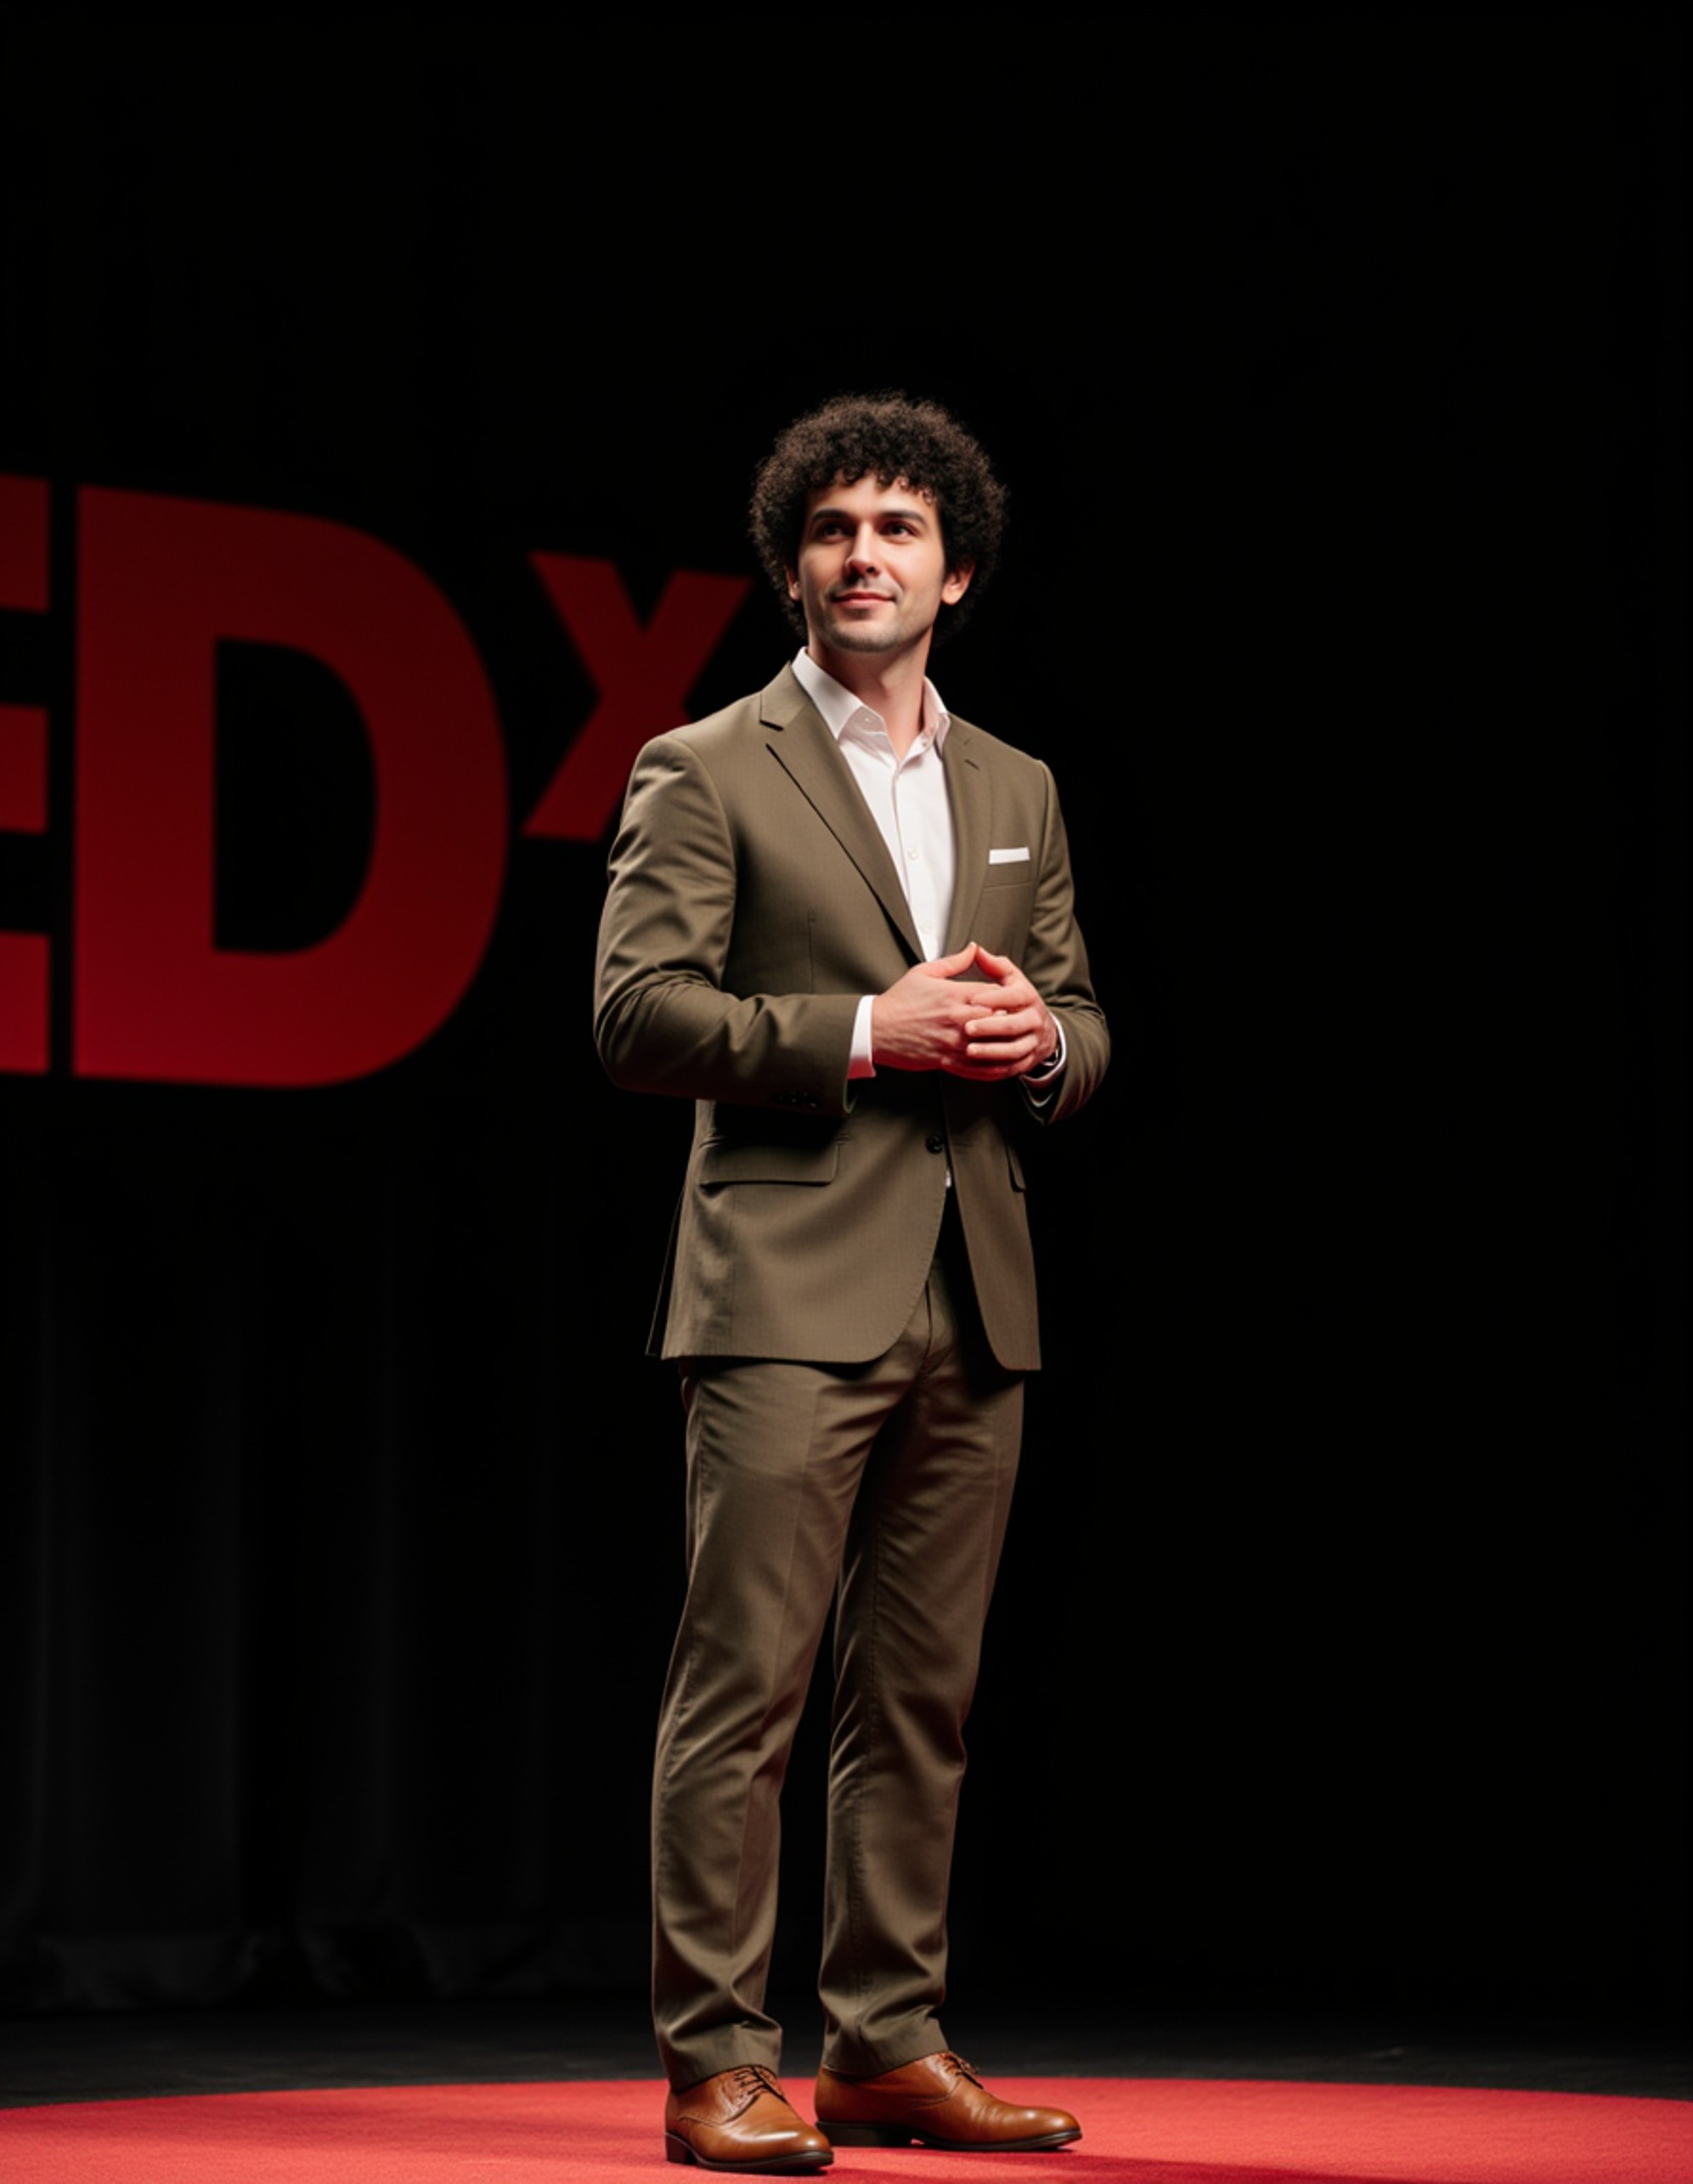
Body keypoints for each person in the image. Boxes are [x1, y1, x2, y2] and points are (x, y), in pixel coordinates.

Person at [595, 393, 1109, 2172]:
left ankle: (885, 2040)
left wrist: (1047, 1043)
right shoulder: (705, 762)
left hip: (975, 1285)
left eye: (896, 529)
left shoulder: (1014, 786)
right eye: (831, 529)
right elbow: (636, 1013)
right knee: (741, 1682)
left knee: (920, 1697)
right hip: (782, 1285)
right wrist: (861, 1033)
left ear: (952, 571)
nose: (861, 555)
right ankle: (716, 2056)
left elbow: (1084, 1018)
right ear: (793, 567)